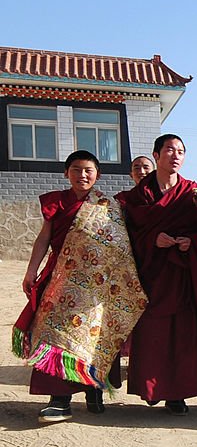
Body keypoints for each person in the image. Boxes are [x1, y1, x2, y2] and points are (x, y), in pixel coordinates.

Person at [16, 150, 132, 422]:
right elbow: (44, 238)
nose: (83, 175)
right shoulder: (57, 202)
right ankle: (59, 399)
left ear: (98, 175)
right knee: (54, 336)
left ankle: (94, 389)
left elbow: (121, 248)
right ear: (66, 173)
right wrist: (31, 270)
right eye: (77, 170)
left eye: (88, 170)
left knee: (94, 337)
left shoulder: (109, 207)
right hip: (60, 280)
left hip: (97, 288)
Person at [117, 134, 197, 414]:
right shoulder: (139, 196)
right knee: (152, 334)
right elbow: (124, 237)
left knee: (182, 335)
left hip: (183, 278)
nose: (175, 155)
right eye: (169, 150)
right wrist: (151, 240)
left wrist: (192, 243)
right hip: (150, 278)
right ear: (156, 154)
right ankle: (152, 389)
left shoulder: (193, 194)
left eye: (181, 151)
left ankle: (177, 394)